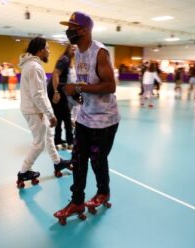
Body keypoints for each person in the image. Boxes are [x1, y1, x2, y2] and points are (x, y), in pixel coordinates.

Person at [53, 11, 120, 224]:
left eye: (73, 27)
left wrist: (80, 87)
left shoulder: (99, 52)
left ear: (85, 30)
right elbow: (87, 86)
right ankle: (77, 201)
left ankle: (103, 192)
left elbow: (110, 86)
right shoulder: (78, 53)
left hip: (104, 119)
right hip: (84, 116)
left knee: (97, 160)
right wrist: (77, 94)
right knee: (78, 159)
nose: (69, 31)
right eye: (69, 26)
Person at [17, 37, 72, 188]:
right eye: (47, 48)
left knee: (49, 136)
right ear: (40, 50)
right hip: (35, 111)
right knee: (39, 144)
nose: (49, 50)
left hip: (34, 109)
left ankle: (57, 162)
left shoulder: (31, 65)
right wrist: (50, 114)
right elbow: (38, 95)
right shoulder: (34, 67)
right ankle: (24, 171)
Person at [47, 44, 76, 150]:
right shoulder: (65, 59)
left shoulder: (69, 60)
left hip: (59, 88)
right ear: (67, 48)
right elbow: (55, 74)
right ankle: (70, 142)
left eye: (76, 47)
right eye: (72, 46)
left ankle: (58, 140)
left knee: (60, 116)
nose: (74, 48)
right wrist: (55, 91)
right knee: (67, 116)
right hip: (57, 89)